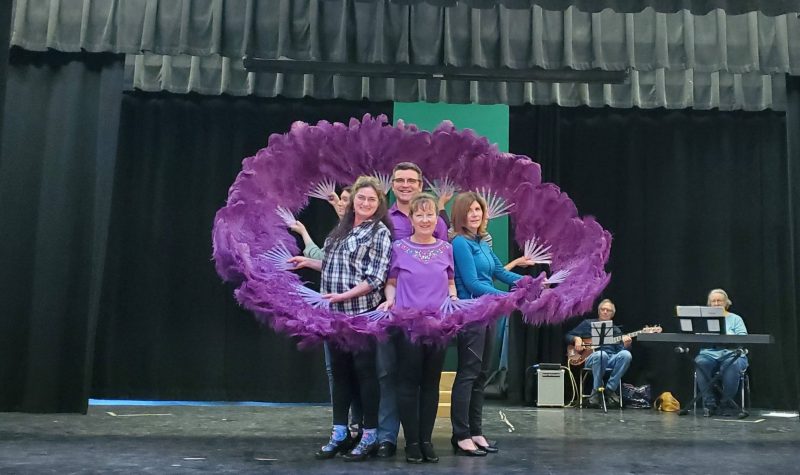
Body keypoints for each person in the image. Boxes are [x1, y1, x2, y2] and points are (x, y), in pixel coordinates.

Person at [289, 176, 392, 461]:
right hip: (332, 316)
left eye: (372, 199)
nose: (366, 203)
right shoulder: (341, 228)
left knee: (365, 376)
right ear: (353, 200)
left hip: (360, 315)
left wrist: (343, 297)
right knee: (340, 375)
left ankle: (369, 435)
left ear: (379, 203)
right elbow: (334, 265)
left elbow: (375, 278)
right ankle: (340, 433)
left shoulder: (379, 232)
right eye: (362, 198)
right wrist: (309, 262)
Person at [374, 162, 451, 458]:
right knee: (395, 379)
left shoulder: (444, 243)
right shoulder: (390, 230)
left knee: (429, 384)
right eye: (400, 180)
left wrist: (453, 303)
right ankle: (400, 440)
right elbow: (390, 278)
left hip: (438, 324)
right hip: (403, 321)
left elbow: (449, 279)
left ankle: (426, 441)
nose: (424, 219)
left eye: (411, 180)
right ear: (392, 184)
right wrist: (390, 299)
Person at [450, 191, 532, 456]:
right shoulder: (461, 243)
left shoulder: (482, 243)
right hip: (471, 314)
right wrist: (510, 297)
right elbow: (473, 284)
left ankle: (476, 432)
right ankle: (460, 434)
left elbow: (499, 272)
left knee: (481, 376)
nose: (475, 214)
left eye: (478, 210)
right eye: (470, 210)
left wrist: (530, 284)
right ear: (460, 214)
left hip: (489, 313)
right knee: (468, 375)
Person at [288, 185, 362, 436]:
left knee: (360, 371)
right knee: (337, 370)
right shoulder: (336, 234)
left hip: (359, 309)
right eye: (341, 201)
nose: (343, 205)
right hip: (333, 310)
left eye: (348, 201)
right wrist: (306, 249)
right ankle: (342, 425)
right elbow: (327, 262)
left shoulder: (368, 233)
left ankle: (359, 423)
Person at [565, 299, 632, 408]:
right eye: (603, 309)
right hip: (591, 359)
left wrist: (626, 345)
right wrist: (576, 338)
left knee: (626, 355)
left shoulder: (616, 330)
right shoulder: (588, 324)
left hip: (610, 359)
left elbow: (621, 354)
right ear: (598, 311)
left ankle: (609, 389)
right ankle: (596, 391)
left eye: (608, 310)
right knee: (601, 354)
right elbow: (567, 336)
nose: (605, 312)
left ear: (612, 314)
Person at [694, 288, 748, 417]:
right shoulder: (703, 320)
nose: (716, 303)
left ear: (726, 303)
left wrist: (727, 336)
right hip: (709, 353)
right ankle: (709, 403)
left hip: (732, 353)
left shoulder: (736, 319)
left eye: (719, 301)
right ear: (710, 304)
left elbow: (743, 337)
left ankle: (726, 403)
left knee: (731, 364)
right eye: (713, 301)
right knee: (700, 362)